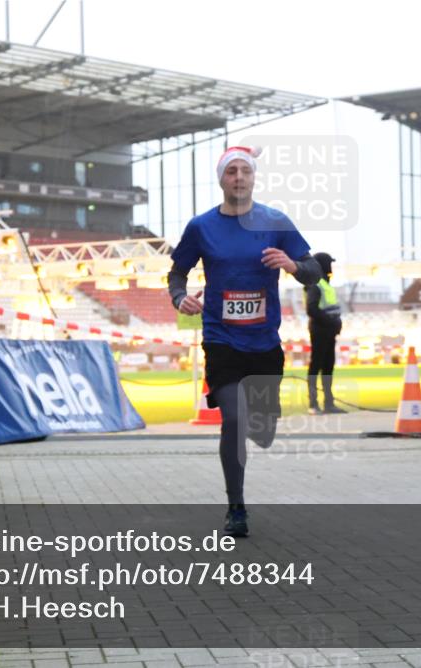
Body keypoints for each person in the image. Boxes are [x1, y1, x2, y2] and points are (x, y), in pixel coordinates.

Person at [167, 145, 321, 538]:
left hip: (264, 342)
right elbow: (177, 274)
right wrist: (179, 297)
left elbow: (314, 270)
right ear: (221, 179)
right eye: (231, 171)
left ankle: (262, 420)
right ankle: (236, 508)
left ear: (254, 177)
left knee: (262, 430)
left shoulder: (275, 221)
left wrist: (293, 265)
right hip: (221, 340)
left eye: (245, 171)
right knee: (233, 421)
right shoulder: (201, 227)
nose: (238, 177)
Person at [303, 252, 346, 415]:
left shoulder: (326, 284)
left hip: (328, 331)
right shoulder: (316, 284)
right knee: (317, 365)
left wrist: (336, 323)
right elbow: (311, 309)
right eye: (329, 263)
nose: (331, 267)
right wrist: (331, 322)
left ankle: (329, 403)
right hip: (320, 330)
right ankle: (313, 404)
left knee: (328, 366)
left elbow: (331, 308)